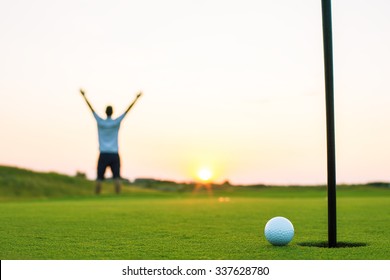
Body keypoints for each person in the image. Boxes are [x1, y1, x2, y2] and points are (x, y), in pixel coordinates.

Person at [80, 89, 142, 194]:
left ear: (105, 112)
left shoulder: (100, 122)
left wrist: (84, 96)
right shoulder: (116, 122)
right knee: (117, 177)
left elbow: (91, 109)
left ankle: (96, 197)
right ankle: (118, 198)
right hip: (114, 153)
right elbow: (127, 111)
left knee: (99, 178)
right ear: (112, 112)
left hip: (103, 153)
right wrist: (136, 98)